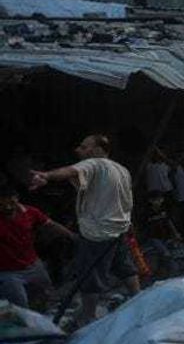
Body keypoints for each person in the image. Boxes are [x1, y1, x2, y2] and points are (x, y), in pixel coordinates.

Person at [28, 134, 140, 325]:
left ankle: (87, 317)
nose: (79, 150)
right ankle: (139, 301)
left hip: (98, 233)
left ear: (98, 150)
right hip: (118, 229)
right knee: (125, 268)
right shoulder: (122, 170)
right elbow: (125, 199)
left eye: (84, 146)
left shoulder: (94, 164)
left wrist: (46, 176)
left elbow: (70, 171)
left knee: (90, 276)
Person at [0, 181, 72, 309]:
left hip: (32, 265)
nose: (8, 208)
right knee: (20, 306)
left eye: (11, 202)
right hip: (8, 273)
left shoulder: (30, 212)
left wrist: (73, 237)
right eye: (3, 204)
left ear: (16, 199)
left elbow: (50, 225)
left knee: (47, 297)